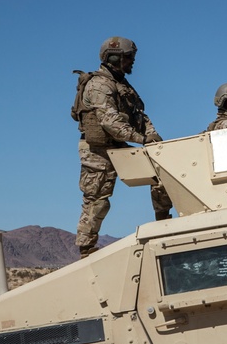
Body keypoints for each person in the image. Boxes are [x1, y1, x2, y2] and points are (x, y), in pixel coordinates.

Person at [72, 36, 172, 258]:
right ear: (114, 57)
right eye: (129, 58)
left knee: (161, 174)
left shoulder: (121, 83)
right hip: (97, 150)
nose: (132, 62)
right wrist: (141, 138)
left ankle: (164, 223)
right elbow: (110, 121)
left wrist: (152, 135)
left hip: (120, 144)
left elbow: (139, 115)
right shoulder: (99, 85)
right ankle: (86, 250)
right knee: (96, 200)